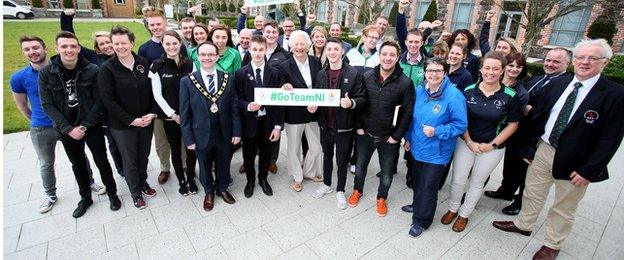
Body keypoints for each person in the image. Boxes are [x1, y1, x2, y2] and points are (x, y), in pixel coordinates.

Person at [493, 39, 624, 260]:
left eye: (592, 58)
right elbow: (538, 118)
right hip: (544, 149)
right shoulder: (558, 84)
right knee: (532, 192)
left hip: (577, 161)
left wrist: (590, 170)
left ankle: (552, 244)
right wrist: (530, 148)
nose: (584, 62)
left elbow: (611, 138)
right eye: (580, 57)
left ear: (605, 62)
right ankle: (523, 223)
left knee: (564, 205)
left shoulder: (614, 93)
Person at [11, 36, 104, 213]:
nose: (33, 52)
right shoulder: (19, 78)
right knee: (46, 162)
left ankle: (90, 183)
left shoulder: (61, 70)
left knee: (79, 159)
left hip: (72, 125)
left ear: (46, 49)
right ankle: (50, 194)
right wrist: (34, 120)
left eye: (36, 48)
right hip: (43, 126)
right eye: (27, 49)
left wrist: (76, 126)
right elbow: (22, 105)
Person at [38, 31, 120, 218]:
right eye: (64, 46)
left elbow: (99, 101)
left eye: (73, 46)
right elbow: (47, 105)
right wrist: (68, 129)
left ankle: (113, 194)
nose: (69, 50)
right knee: (78, 164)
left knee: (102, 161)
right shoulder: (46, 73)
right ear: (56, 48)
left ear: (79, 48)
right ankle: (85, 197)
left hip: (91, 125)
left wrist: (84, 126)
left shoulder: (92, 70)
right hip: (66, 129)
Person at [485, 48, 571, 215]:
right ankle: (506, 190)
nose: (550, 64)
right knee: (511, 164)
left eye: (556, 62)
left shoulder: (565, 85)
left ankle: (519, 202)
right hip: (517, 131)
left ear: (567, 64)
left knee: (526, 170)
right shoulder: (536, 80)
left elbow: (551, 112)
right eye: (548, 60)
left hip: (534, 135)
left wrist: (530, 111)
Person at [441, 52, 521, 232]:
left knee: (477, 181)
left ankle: (464, 214)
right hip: (466, 142)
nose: (490, 72)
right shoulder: (468, 90)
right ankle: (453, 208)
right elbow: (460, 118)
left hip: (493, 148)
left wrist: (491, 145)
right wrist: (469, 141)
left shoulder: (510, 95)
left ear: (502, 72)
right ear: (481, 69)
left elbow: (513, 124)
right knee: (458, 179)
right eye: (487, 68)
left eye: (495, 69)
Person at [347, 41, 415, 217]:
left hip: (389, 138)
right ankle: (357, 190)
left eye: (392, 54)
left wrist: (396, 136)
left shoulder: (405, 83)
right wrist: (358, 127)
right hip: (365, 133)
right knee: (360, 166)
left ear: (397, 57)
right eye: (384, 54)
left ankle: (382, 198)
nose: (387, 58)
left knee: (386, 172)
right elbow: (358, 102)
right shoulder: (366, 77)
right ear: (379, 55)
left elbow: (407, 113)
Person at [402, 57, 467, 238]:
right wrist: (408, 137)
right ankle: (417, 206)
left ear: (445, 73)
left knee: (428, 187)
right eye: (430, 70)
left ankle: (422, 220)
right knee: (417, 182)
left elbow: (461, 125)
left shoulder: (454, 95)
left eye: (438, 71)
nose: (433, 74)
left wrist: (438, 131)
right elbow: (411, 118)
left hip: (437, 152)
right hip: (416, 147)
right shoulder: (420, 90)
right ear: (425, 72)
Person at [99, 26, 158, 210]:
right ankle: (135, 192)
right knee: (130, 159)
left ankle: (143, 182)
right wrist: (131, 120)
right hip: (123, 126)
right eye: (116, 43)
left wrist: (152, 113)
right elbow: (108, 101)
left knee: (143, 155)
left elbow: (155, 91)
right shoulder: (107, 69)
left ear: (131, 43)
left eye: (123, 43)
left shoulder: (143, 63)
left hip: (146, 121)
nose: (120, 47)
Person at [60, 9, 124, 178]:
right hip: (104, 113)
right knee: (113, 143)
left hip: (124, 109)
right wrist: (67, 17)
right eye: (102, 44)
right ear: (97, 47)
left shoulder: (124, 57)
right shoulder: (93, 59)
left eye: (109, 42)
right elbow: (71, 40)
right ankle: (122, 169)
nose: (107, 46)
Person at [180, 41, 241, 211]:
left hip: (224, 131)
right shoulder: (187, 81)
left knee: (223, 162)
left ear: (217, 56)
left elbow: (234, 108)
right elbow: (184, 113)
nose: (207, 58)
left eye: (211, 54)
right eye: (203, 54)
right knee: (204, 164)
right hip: (200, 132)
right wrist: (188, 138)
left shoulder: (228, 78)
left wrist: (236, 132)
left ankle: (222, 188)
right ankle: (208, 192)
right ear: (198, 57)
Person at [312, 37, 366, 209]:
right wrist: (313, 107)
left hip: (345, 126)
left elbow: (362, 99)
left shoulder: (353, 73)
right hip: (325, 125)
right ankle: (327, 184)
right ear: (325, 52)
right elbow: (317, 97)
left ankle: (340, 190)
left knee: (342, 160)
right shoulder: (321, 74)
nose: (332, 53)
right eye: (329, 49)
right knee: (327, 156)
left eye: (336, 49)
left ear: (342, 51)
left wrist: (351, 103)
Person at [148, 30, 199, 196]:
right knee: (175, 150)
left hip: (190, 116)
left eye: (174, 43)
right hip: (171, 119)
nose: (171, 47)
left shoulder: (191, 64)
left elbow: (196, 89)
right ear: (163, 45)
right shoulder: (156, 66)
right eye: (167, 43)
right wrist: (173, 115)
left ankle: (191, 178)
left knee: (191, 149)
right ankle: (182, 181)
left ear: (180, 44)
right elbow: (157, 95)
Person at [235, 35, 284, 198]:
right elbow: (238, 99)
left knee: (266, 153)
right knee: (248, 154)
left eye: (261, 49)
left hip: (267, 122)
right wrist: (248, 106)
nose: (257, 53)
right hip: (249, 122)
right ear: (249, 49)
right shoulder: (241, 73)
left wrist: (278, 126)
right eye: (254, 49)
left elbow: (279, 102)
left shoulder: (275, 73)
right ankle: (250, 181)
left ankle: (263, 179)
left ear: (265, 50)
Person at [138, 10, 183, 185]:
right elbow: (146, 78)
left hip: (176, 101)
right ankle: (165, 168)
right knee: (162, 140)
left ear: (164, 24)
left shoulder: (178, 44)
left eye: (159, 24)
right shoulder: (145, 48)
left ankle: (185, 165)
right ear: (148, 26)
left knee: (181, 138)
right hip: (156, 103)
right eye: (152, 24)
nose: (156, 27)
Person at [277, 30, 323, 192]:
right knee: (293, 148)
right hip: (294, 114)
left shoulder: (316, 62)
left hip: (313, 111)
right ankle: (297, 177)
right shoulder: (284, 65)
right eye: (295, 44)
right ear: (291, 47)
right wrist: (285, 86)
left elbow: (321, 85)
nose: (299, 47)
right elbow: (281, 85)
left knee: (316, 147)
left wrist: (317, 103)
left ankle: (308, 171)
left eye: (302, 43)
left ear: (308, 45)